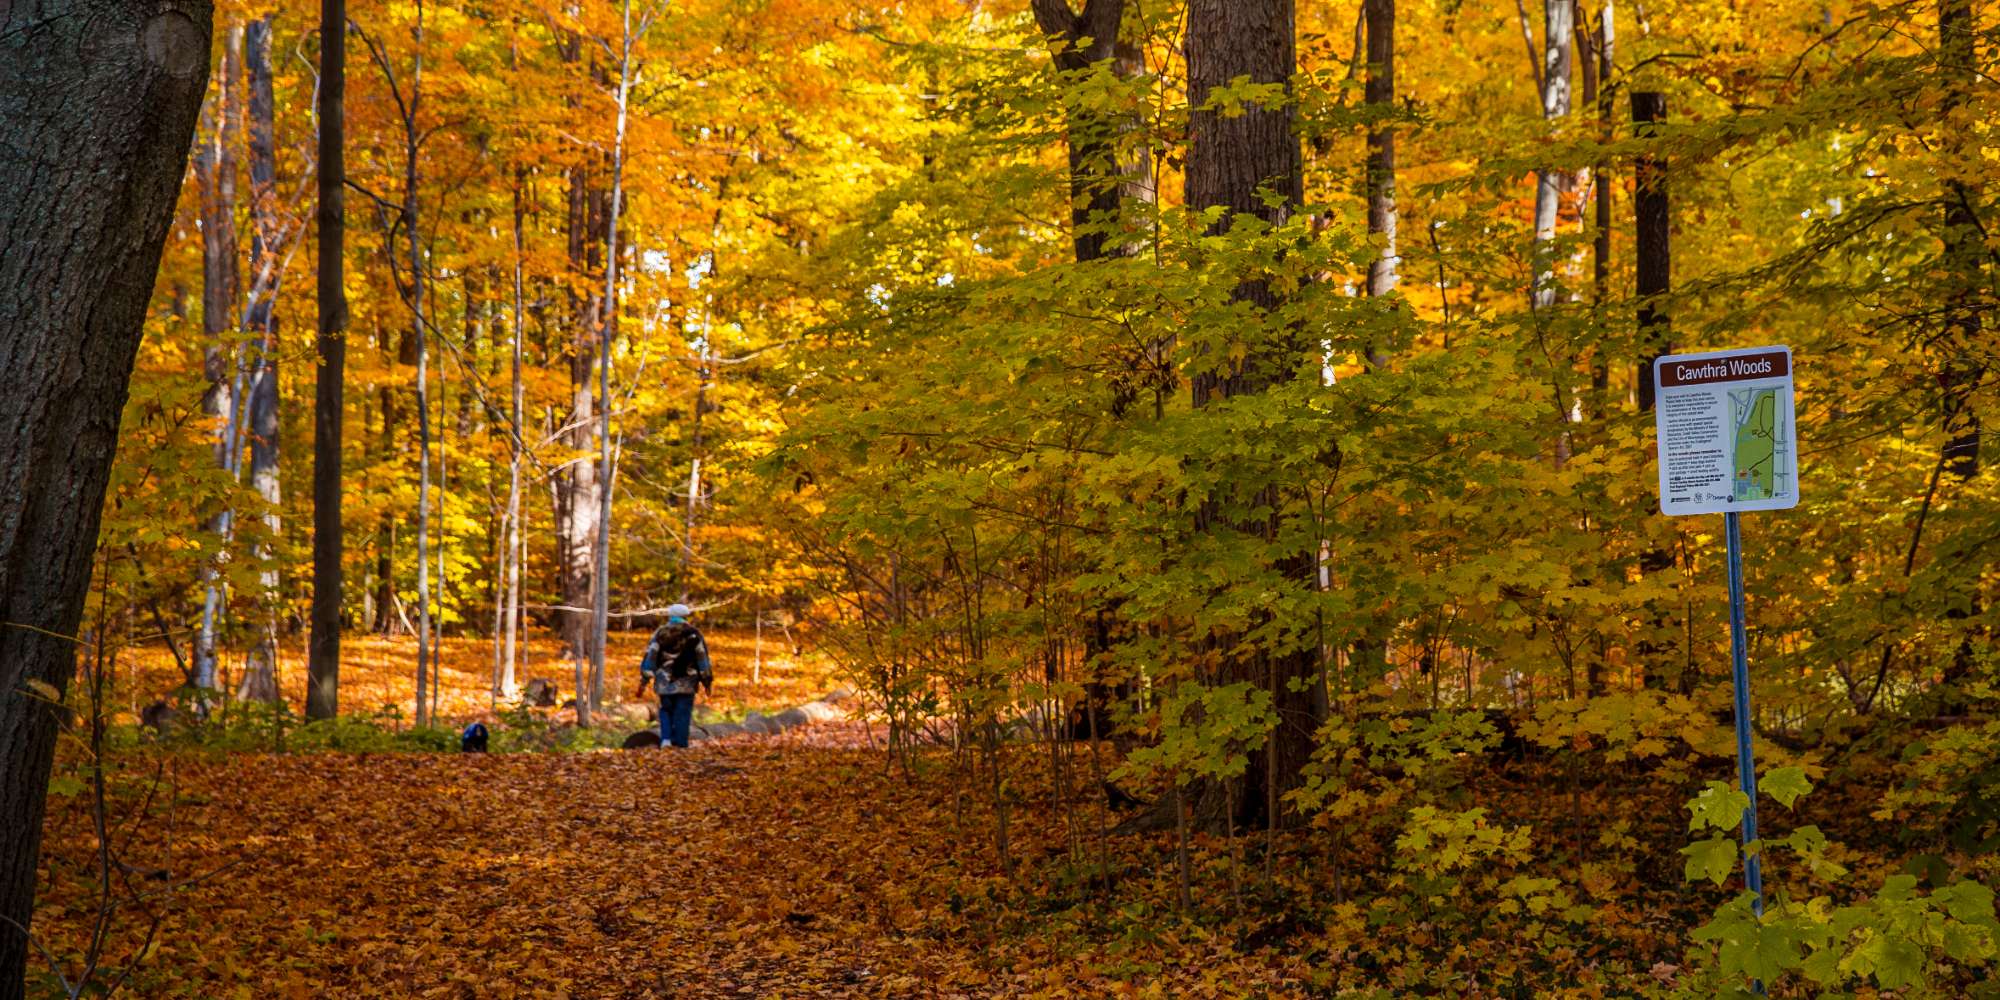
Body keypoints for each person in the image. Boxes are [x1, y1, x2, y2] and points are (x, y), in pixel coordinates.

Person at [639, 603, 712, 748]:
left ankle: (665, 740)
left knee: (665, 710)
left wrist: (644, 679)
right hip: (687, 681)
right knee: (682, 712)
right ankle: (681, 743)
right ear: (686, 616)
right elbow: (702, 658)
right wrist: (707, 681)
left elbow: (651, 656)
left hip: (663, 681)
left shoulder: (660, 633)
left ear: (670, 616)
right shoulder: (694, 633)